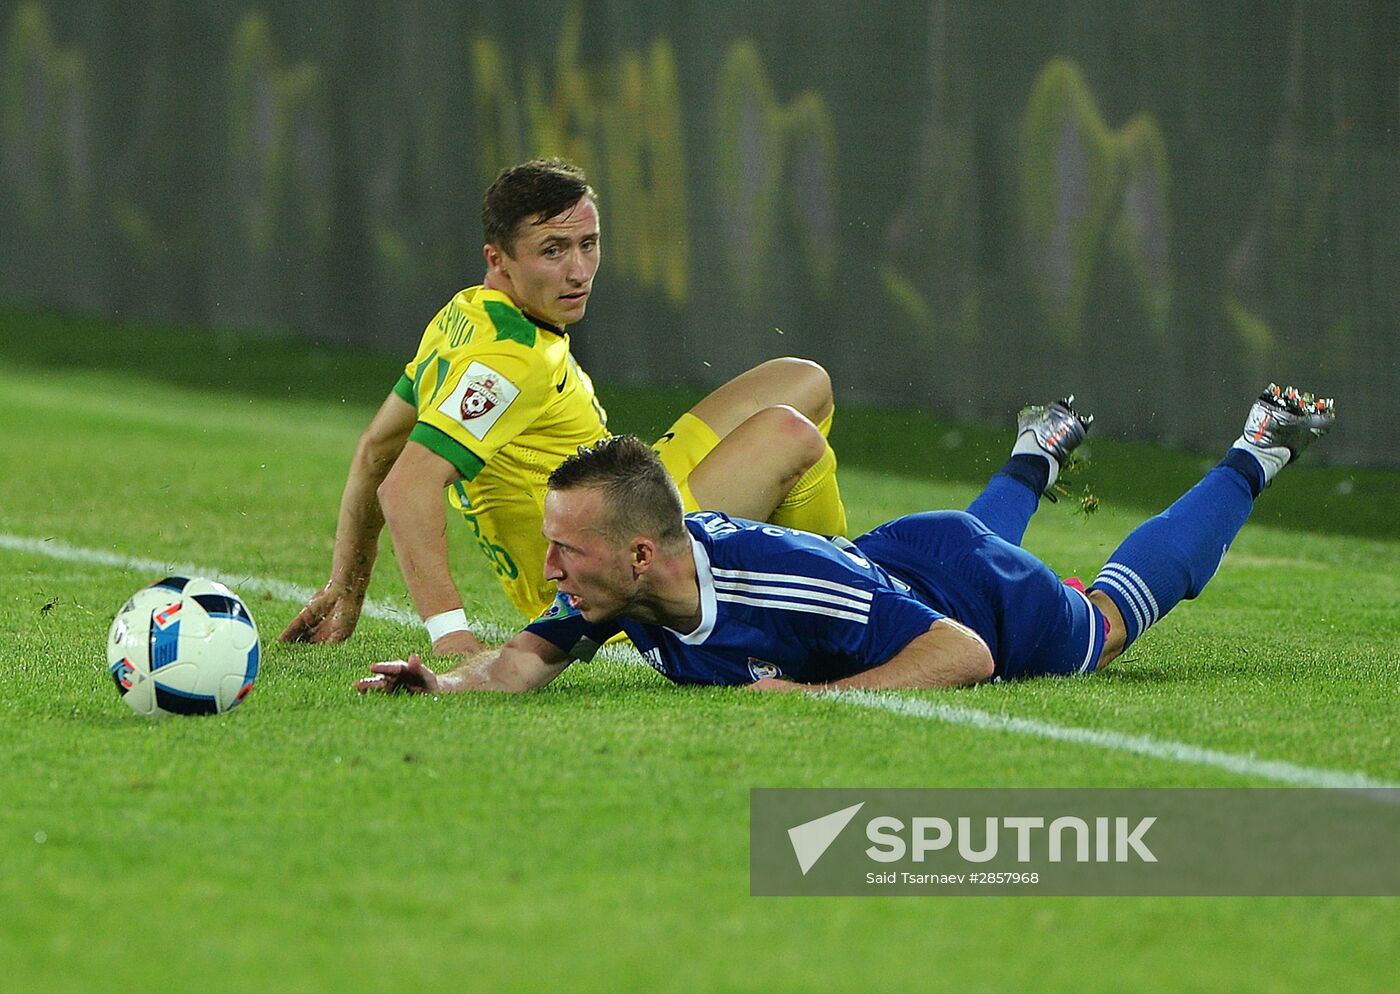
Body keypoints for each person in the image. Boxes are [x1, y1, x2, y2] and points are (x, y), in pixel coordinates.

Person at [355, 383, 1335, 695]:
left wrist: (818, 700)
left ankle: (1256, 447)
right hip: (895, 567)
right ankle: (1034, 451)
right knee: (930, 572)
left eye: (567, 548)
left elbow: (963, 650)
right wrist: (440, 682)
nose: (552, 567)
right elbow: (523, 663)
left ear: (640, 553)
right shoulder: (612, 590)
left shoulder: (778, 583)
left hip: (961, 591)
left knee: (1103, 624)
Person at [281, 158, 846, 656]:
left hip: (625, 499)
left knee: (802, 381)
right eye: (552, 251)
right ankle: (847, 598)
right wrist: (449, 632)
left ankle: (799, 580)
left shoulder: (466, 312)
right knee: (791, 439)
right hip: (606, 573)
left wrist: (347, 584)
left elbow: (378, 446)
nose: (578, 271)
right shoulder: (514, 362)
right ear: (498, 259)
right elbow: (406, 484)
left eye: (588, 244)